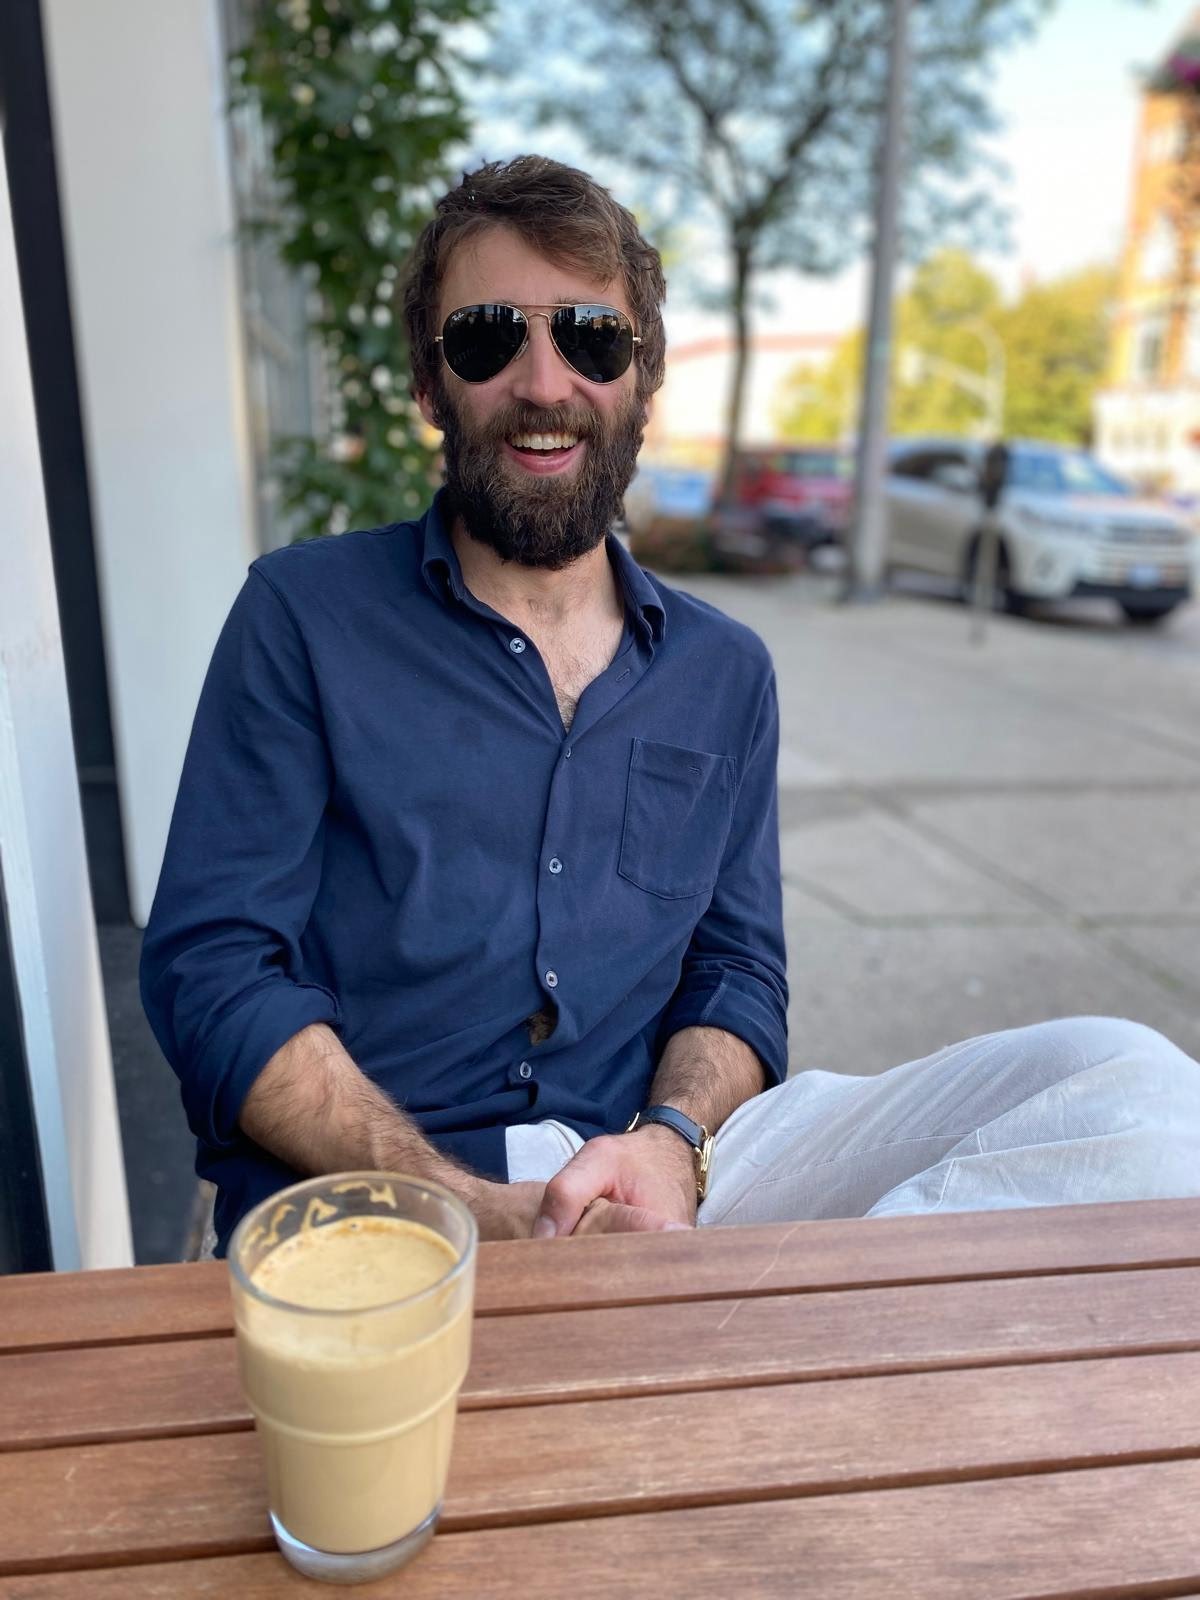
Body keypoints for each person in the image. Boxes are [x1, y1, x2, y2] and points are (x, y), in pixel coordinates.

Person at [141, 157, 1200, 1257]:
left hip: (667, 1167)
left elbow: (738, 974)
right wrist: (471, 1207)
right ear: (429, 383)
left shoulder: (723, 669)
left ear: (642, 384)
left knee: (1136, 1087)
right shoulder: (303, 617)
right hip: (391, 1194)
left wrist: (670, 1142)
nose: (545, 383)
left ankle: (801, 1313)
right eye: (488, 337)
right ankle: (759, 1325)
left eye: (593, 338)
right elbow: (216, 970)